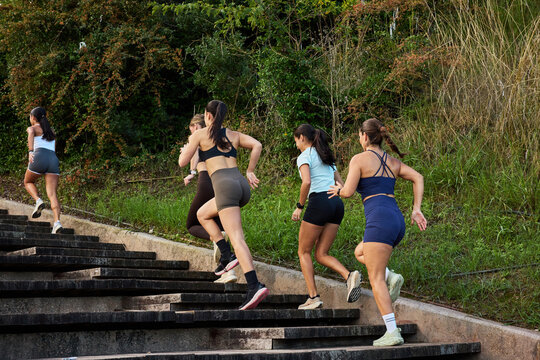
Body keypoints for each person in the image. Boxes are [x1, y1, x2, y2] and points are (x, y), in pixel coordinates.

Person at [328, 118, 427, 346]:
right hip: (396, 220)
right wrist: (416, 209)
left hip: (379, 221)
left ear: (364, 136)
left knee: (375, 280)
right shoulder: (392, 162)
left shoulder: (359, 159)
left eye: (359, 135)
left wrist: (339, 189)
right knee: (360, 252)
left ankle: (392, 332)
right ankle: (391, 276)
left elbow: (349, 191)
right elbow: (418, 177)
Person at [178, 100, 267, 310]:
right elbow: (257, 145)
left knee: (237, 238)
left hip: (225, 187)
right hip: (240, 185)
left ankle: (254, 286)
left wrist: (185, 149)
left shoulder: (200, 135)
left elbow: (183, 162)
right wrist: (250, 170)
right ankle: (225, 254)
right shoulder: (233, 134)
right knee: (202, 214)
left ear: (207, 116)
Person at [292, 124, 362, 310]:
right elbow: (342, 184)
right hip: (336, 203)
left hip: (319, 202)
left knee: (303, 251)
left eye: (296, 139)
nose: (296, 144)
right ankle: (349, 276)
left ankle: (313, 297)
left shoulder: (304, 156)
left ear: (301, 137)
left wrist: (300, 206)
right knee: (321, 253)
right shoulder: (326, 157)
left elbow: (306, 181)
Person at [181, 114, 237, 284]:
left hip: (206, 182)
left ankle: (217, 238)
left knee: (192, 225)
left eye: (192, 130)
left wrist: (191, 173)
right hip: (221, 184)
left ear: (196, 127)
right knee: (221, 226)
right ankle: (229, 273)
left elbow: (195, 156)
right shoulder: (220, 137)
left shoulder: (198, 136)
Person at [23, 107, 63, 234]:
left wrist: (30, 152)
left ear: (33, 117)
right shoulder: (51, 131)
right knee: (52, 194)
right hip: (53, 159)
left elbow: (30, 134)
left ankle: (38, 200)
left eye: (30, 116)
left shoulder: (33, 128)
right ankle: (57, 223)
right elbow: (53, 147)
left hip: (39, 156)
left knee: (27, 182)